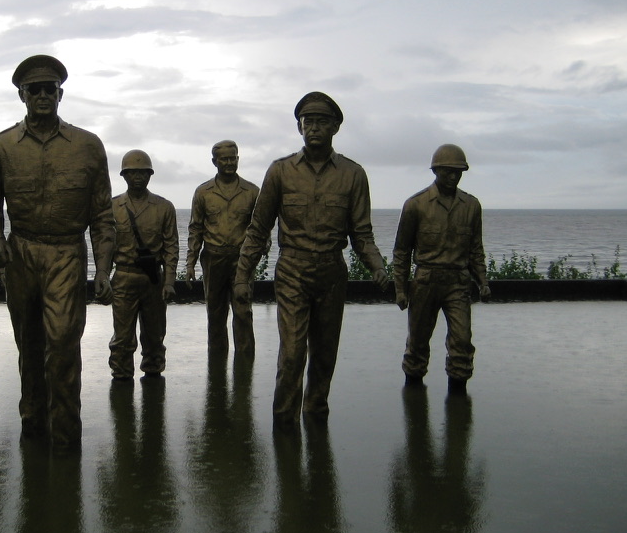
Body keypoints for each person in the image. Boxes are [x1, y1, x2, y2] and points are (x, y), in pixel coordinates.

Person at [0, 55, 115, 447]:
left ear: (61, 93)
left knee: (63, 343)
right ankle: (33, 427)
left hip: (66, 252)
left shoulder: (88, 146)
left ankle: (66, 435)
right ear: (21, 96)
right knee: (30, 344)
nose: (42, 95)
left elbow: (103, 215)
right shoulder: (0, 147)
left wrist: (103, 269)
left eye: (49, 89)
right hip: (21, 253)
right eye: (33, 90)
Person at [234, 92, 389, 426]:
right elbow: (258, 228)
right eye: (308, 122)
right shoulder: (280, 171)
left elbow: (362, 234)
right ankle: (284, 425)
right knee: (292, 353)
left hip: (332, 271)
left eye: (321, 121)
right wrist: (242, 276)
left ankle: (316, 417)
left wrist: (378, 267)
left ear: (335, 127)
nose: (314, 128)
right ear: (299, 127)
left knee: (324, 354)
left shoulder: (353, 175)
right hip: (292, 270)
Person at [392, 144, 491, 393]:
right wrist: (401, 289)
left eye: (458, 172)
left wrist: (483, 281)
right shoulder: (415, 205)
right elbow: (402, 251)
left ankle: (458, 401)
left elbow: (476, 249)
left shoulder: (471, 206)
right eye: (448, 171)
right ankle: (413, 398)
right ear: (436, 170)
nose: (454, 176)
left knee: (462, 341)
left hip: (458, 283)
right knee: (417, 343)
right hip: (425, 281)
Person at [109, 150, 179, 381]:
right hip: (124, 277)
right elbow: (104, 245)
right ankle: (121, 376)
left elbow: (171, 247)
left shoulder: (164, 207)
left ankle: (153, 374)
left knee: (154, 335)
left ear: (150, 175)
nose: (138, 177)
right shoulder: (112, 207)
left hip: (153, 280)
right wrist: (102, 275)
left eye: (142, 172)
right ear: (124, 175)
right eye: (132, 172)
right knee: (122, 337)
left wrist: (169, 281)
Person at [185, 140, 260, 356]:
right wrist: (190, 263)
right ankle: (217, 365)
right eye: (224, 159)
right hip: (213, 259)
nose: (229, 162)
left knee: (243, 311)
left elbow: (260, 227)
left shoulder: (252, 191)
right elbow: (195, 229)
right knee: (215, 314)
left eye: (233, 158)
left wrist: (262, 246)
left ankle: (245, 366)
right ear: (214, 162)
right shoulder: (203, 192)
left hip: (241, 260)